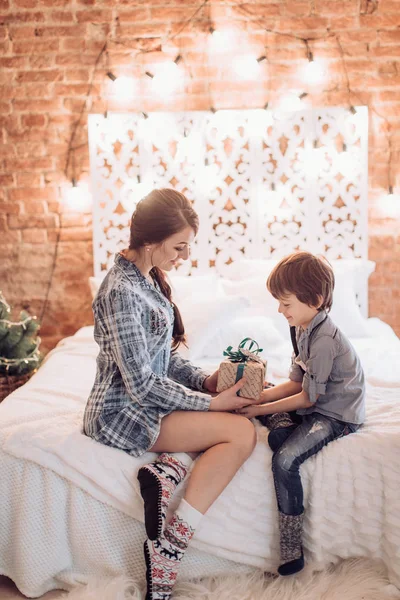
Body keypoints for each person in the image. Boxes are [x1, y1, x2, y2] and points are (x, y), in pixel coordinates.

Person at [83, 188, 258, 600]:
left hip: (146, 403)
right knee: (239, 432)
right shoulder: (120, 292)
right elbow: (143, 383)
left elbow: (164, 360)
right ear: (151, 240)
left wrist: (206, 381)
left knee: (237, 419)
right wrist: (214, 404)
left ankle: (167, 471)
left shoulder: (146, 278)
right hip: (120, 412)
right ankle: (169, 549)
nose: (183, 256)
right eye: (179, 246)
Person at [237, 251, 365, 576]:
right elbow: (295, 381)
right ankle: (283, 428)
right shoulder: (301, 328)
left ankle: (292, 550)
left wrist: (261, 408)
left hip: (335, 413)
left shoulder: (324, 340)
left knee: (283, 460)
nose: (280, 311)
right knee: (264, 388)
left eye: (286, 303)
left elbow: (307, 398)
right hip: (313, 400)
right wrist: (261, 396)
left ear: (316, 299)